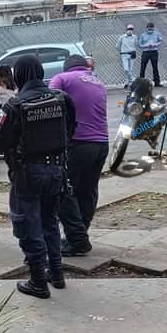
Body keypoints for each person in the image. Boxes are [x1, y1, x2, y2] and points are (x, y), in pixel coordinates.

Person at [0, 54, 75, 299]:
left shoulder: (15, 105)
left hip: (27, 174)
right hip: (57, 171)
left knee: (28, 226)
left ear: (18, 76)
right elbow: (71, 130)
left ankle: (38, 280)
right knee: (49, 221)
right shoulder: (62, 99)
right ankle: (56, 273)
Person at [49, 56, 108, 257]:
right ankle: (80, 234)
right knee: (88, 190)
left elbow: (50, 106)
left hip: (78, 142)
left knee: (63, 190)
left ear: (67, 67)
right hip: (101, 143)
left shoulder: (62, 79)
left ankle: (77, 238)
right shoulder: (99, 82)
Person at [138, 21, 163, 87]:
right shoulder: (143, 35)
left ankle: (157, 82)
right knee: (143, 67)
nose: (150, 30)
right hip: (146, 52)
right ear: (146, 28)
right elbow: (140, 44)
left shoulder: (157, 34)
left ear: (153, 28)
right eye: (149, 29)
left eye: (151, 29)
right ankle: (141, 83)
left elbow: (160, 41)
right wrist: (146, 45)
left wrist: (155, 44)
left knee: (155, 67)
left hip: (154, 52)